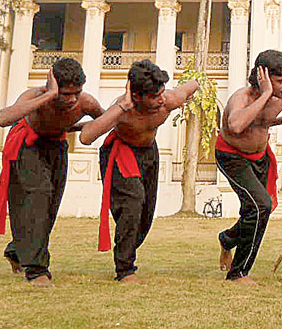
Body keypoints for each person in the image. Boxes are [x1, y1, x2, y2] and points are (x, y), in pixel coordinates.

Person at [79, 59, 199, 283]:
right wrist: (123, 105)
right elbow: (86, 137)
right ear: (136, 96)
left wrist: (187, 96)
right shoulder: (123, 109)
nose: (160, 100)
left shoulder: (168, 100)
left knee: (145, 213)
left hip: (148, 153)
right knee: (133, 202)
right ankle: (125, 269)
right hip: (121, 152)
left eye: (161, 93)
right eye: (154, 97)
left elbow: (193, 85)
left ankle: (127, 242)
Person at [0, 59, 103, 286]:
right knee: (38, 197)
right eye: (65, 93)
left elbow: (105, 120)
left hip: (57, 146)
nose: (72, 99)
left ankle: (16, 250)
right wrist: (49, 95)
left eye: (76, 92)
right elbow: (3, 118)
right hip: (28, 145)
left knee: (50, 205)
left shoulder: (86, 102)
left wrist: (79, 128)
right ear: (51, 85)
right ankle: (37, 270)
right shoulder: (35, 96)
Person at [216, 50, 282, 284]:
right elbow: (236, 126)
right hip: (232, 156)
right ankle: (238, 273)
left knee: (259, 209)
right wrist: (266, 93)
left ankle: (228, 239)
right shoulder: (242, 97)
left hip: (260, 157)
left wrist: (272, 121)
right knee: (260, 206)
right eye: (281, 81)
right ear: (262, 76)